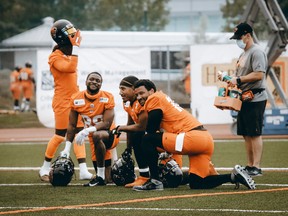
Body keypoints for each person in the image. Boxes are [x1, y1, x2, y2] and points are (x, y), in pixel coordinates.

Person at [132, 79, 256, 191]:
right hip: (205, 139)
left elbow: (151, 129)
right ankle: (234, 176)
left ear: (151, 91)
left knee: (147, 139)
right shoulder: (161, 98)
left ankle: (155, 181)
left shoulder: (154, 98)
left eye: (141, 93)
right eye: (136, 95)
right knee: (197, 183)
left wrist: (160, 151)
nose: (139, 97)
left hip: (191, 137)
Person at [39, 19, 92, 182]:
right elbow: (70, 68)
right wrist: (75, 48)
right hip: (62, 101)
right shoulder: (55, 56)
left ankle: (83, 169)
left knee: (79, 134)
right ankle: (45, 167)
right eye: (69, 33)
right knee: (61, 135)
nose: (73, 35)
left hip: (75, 100)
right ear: (61, 38)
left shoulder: (68, 54)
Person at [62, 72, 119, 186]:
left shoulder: (107, 97)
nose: (94, 82)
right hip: (94, 139)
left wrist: (87, 130)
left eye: (98, 81)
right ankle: (103, 177)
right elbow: (72, 125)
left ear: (101, 84)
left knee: (97, 135)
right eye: (91, 79)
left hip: (109, 135)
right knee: (109, 179)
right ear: (86, 82)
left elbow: (107, 123)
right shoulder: (76, 98)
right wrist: (66, 149)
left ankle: (100, 177)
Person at [227, 22, 268, 176]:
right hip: (243, 98)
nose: (238, 40)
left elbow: (259, 74)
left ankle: (256, 166)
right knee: (246, 133)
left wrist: (238, 80)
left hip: (255, 97)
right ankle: (250, 165)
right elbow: (240, 76)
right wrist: (230, 78)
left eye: (239, 37)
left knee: (255, 132)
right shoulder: (243, 53)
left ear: (248, 35)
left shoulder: (256, 52)